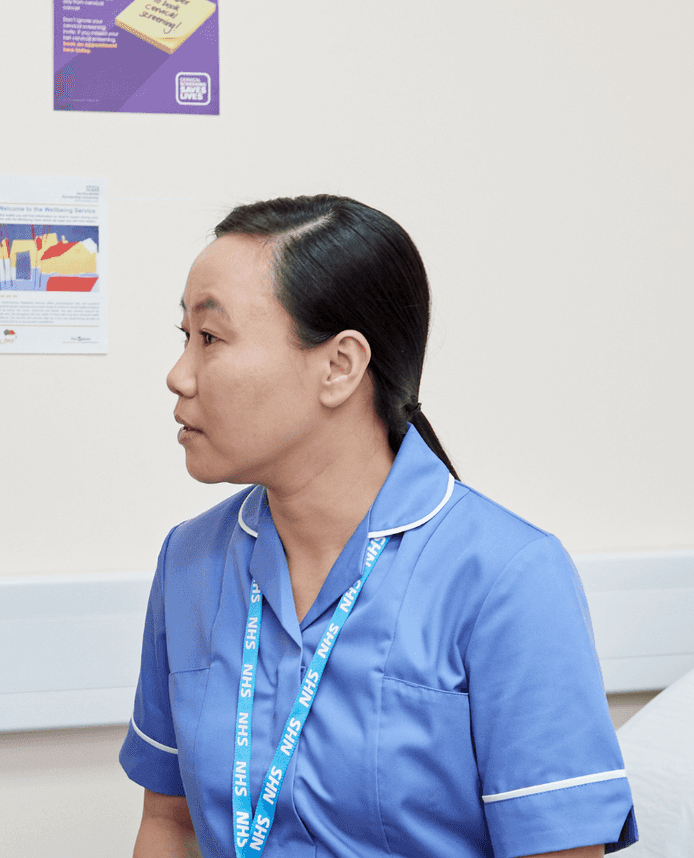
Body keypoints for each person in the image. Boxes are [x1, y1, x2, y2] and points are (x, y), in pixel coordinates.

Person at [121, 195, 637, 858]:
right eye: (184, 338)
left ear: (339, 366)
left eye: (211, 339)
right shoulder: (191, 561)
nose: (178, 374)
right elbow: (173, 823)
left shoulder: (508, 579)